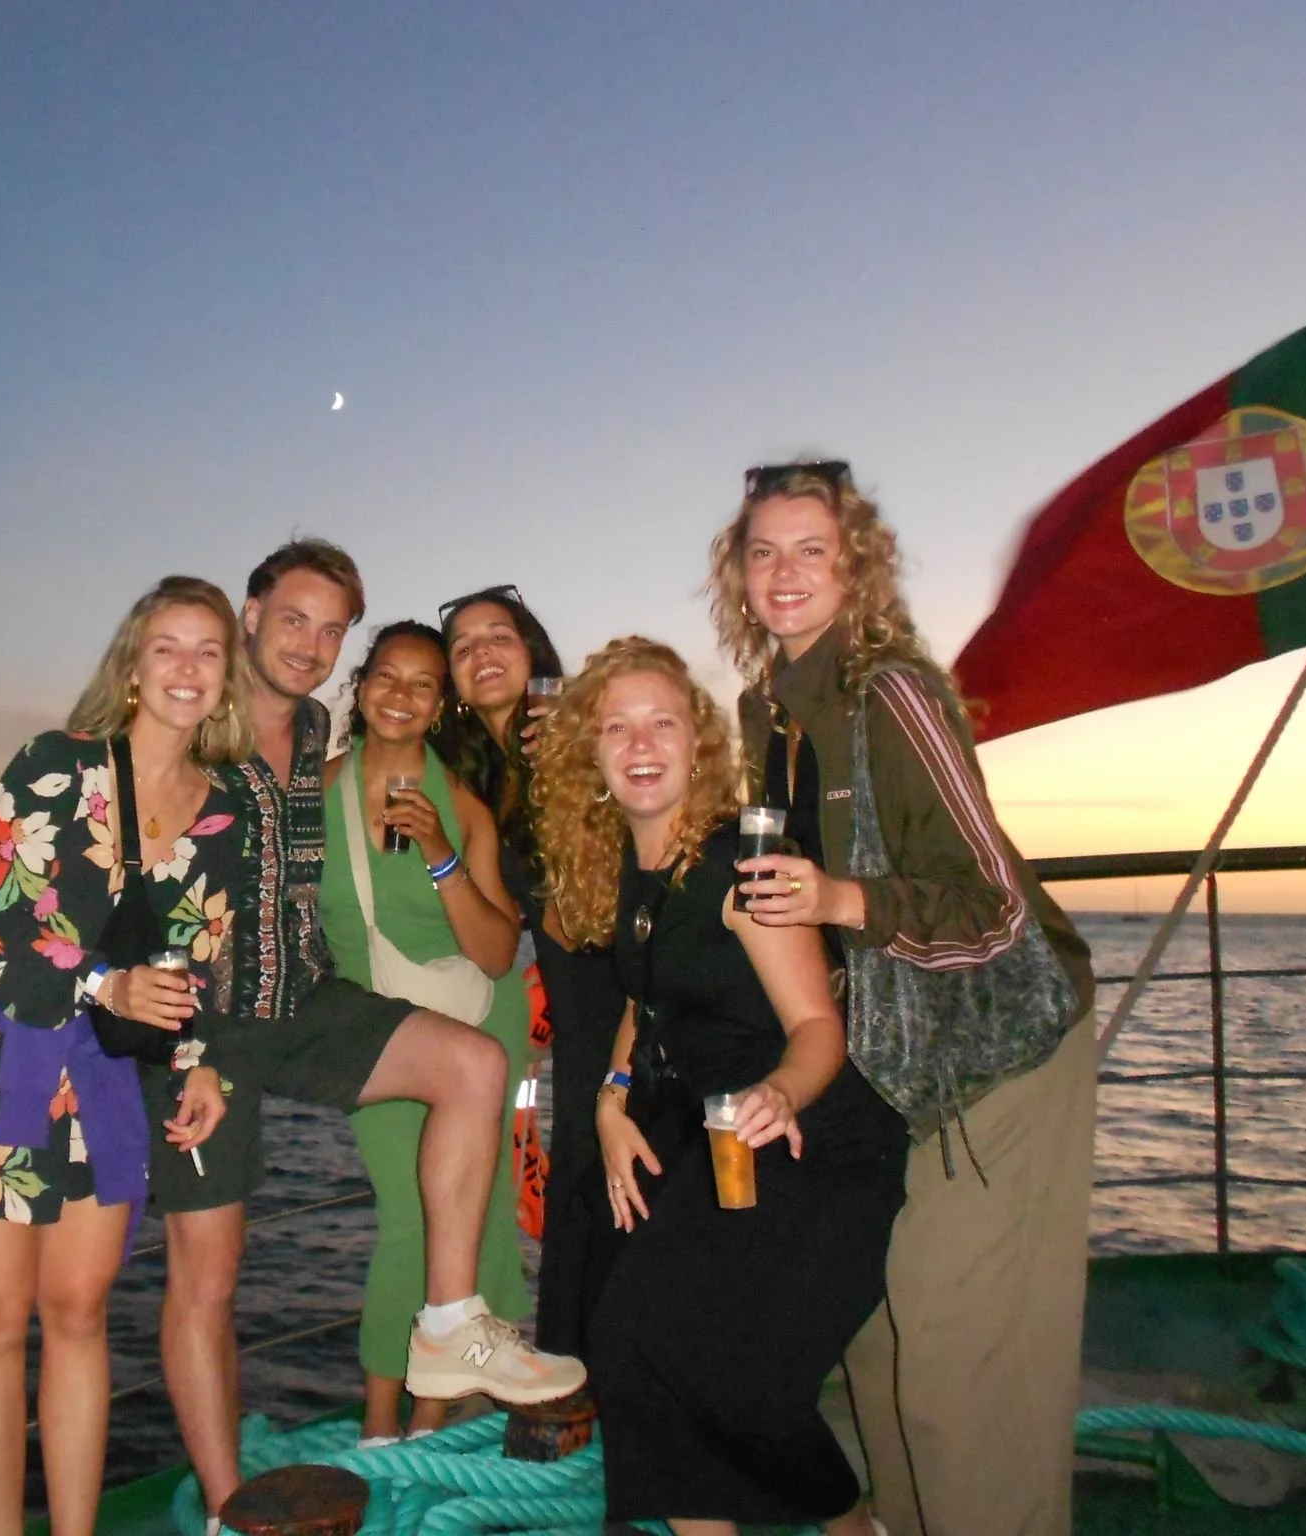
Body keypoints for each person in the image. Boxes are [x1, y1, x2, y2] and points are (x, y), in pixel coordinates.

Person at [0, 541, 585, 1527]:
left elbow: (198, 909)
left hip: (288, 1002)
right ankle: (227, 1506)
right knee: (200, 1276)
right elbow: (53, 889)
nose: (309, 645)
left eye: (331, 629)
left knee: (472, 1064)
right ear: (248, 618)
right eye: (291, 620)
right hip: (182, 1026)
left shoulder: (310, 740)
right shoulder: (180, 749)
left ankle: (448, 1323)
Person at [708, 461, 1099, 1536]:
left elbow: (992, 904)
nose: (784, 572)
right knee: (874, 1337)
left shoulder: (893, 693)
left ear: (857, 567)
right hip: (891, 1066)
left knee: (953, 1358)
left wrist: (840, 897)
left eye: (811, 550)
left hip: (997, 1052)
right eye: (763, 552)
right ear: (738, 574)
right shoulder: (765, 712)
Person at [0, 576, 245, 1536]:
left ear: (227, 677)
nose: (186, 668)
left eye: (207, 651)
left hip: (100, 1079)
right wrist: (104, 986)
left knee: (81, 1314)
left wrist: (198, 1060)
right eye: (166, 647)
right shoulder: (57, 766)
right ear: (132, 666)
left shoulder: (224, 811)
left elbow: (200, 952)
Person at [532, 636, 905, 1536]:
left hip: (810, 1139)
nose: (640, 743)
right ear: (590, 756)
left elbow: (818, 1028)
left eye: (662, 722)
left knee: (731, 1377)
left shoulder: (744, 864)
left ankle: (854, 1526)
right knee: (633, 1344)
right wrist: (610, 1098)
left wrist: (782, 1093)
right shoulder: (627, 866)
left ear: (697, 745)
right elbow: (646, 996)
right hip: (714, 1133)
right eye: (616, 728)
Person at [318, 620, 531, 1443]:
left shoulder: (464, 807)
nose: (401, 696)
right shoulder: (314, 794)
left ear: (441, 706)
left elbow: (498, 951)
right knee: (411, 1219)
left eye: (423, 684)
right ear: (361, 683)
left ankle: (429, 1423)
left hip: (476, 1020)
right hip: (376, 1032)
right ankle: (384, 1426)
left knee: (475, 1218)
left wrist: (442, 853)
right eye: (387, 676)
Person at [432, 586, 624, 1356]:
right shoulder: (478, 777)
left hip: (630, 1001)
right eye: (463, 645)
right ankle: (583, 1386)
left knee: (622, 1200)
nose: (482, 652)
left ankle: (617, 1388)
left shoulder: (580, 737)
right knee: (586, 1203)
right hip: (575, 1013)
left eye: (498, 636)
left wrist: (582, 761)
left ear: (532, 651)